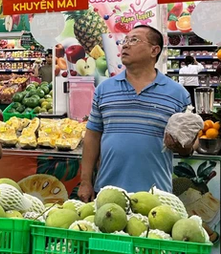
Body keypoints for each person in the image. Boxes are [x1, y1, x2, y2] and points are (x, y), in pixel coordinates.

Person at [78, 26, 195, 200]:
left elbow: (190, 145)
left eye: (134, 40)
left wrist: (180, 145)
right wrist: (85, 181)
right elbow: (93, 136)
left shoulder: (177, 94)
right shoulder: (104, 89)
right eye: (125, 40)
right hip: (108, 192)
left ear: (154, 50)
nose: (125, 45)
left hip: (156, 195)